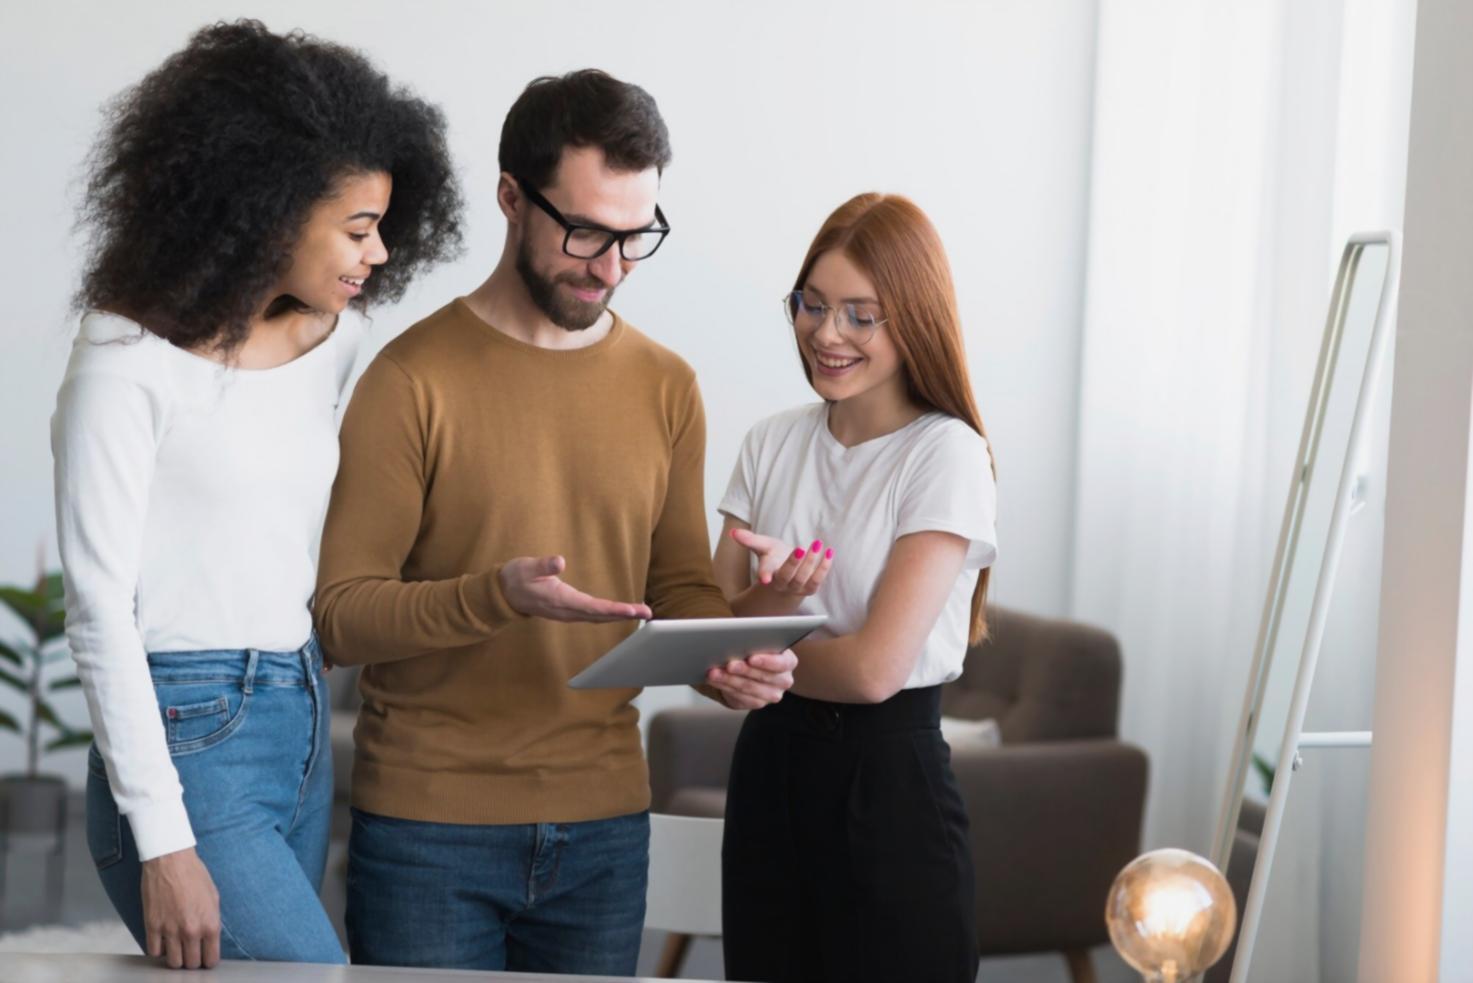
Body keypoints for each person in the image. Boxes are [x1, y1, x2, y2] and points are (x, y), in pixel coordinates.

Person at [312, 68, 796, 976]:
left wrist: (734, 645)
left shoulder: (665, 384)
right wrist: (493, 595)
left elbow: (678, 587)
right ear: (510, 197)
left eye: (634, 237)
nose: (610, 267)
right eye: (584, 232)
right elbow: (342, 613)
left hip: (605, 825)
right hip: (429, 826)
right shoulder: (410, 379)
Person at [52, 20, 462, 969]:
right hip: (189, 728)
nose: (381, 254)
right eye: (358, 229)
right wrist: (163, 839)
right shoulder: (123, 361)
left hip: (303, 707)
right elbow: (98, 611)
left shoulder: (337, 342)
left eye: (385, 227)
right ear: (267, 209)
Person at [714, 192, 999, 983]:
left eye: (858, 314)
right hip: (769, 775)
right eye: (811, 305)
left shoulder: (945, 454)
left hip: (888, 787)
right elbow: (707, 638)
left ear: (912, 318)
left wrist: (753, 644)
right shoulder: (770, 442)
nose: (825, 334)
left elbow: (875, 670)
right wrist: (760, 616)